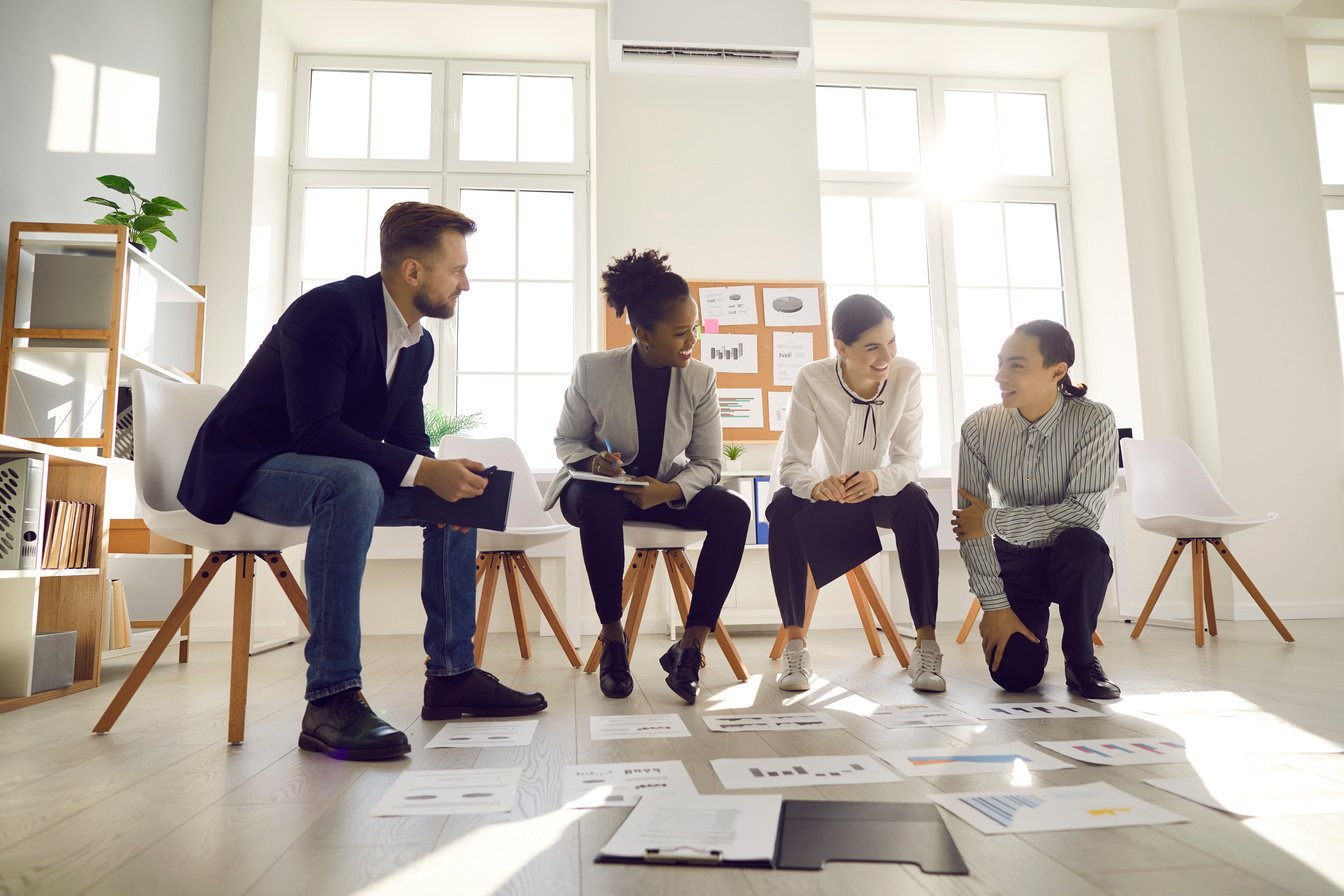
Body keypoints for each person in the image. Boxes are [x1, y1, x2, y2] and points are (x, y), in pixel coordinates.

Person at [178, 202, 547, 762]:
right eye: (457, 270)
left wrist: (440, 478)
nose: (465, 284)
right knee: (352, 482)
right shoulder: (328, 311)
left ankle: (451, 676)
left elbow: (405, 438)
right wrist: (424, 470)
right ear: (413, 271)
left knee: (458, 495)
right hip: (250, 466)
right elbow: (317, 431)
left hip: (326, 470)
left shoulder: (417, 343)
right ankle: (331, 697)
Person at [543, 249, 750, 705]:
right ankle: (613, 639)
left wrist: (670, 491)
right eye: (680, 333)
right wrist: (595, 463)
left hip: (662, 487)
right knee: (597, 504)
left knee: (734, 512)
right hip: (596, 489)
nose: (691, 340)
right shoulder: (594, 370)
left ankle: (690, 647)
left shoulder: (700, 379)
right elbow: (566, 441)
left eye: (693, 328)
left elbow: (709, 462)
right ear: (642, 334)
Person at [767, 294, 942, 693]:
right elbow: (791, 464)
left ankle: (927, 646)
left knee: (917, 502)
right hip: (822, 493)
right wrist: (816, 485)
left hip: (876, 490)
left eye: (892, 342)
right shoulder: (812, 378)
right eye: (873, 347)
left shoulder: (907, 376)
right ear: (841, 348)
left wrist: (878, 481)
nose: (886, 356)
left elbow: (910, 459)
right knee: (782, 506)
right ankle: (796, 648)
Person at [951, 319, 1120, 700]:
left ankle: (1081, 661)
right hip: (1015, 560)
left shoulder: (1094, 420)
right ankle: (1031, 649)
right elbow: (968, 527)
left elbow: (1083, 514)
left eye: (1016, 365)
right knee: (1014, 677)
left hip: (1071, 558)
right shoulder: (978, 427)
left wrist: (992, 519)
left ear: (1057, 371)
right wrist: (994, 606)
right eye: (1000, 363)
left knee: (1083, 545)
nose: (1000, 376)